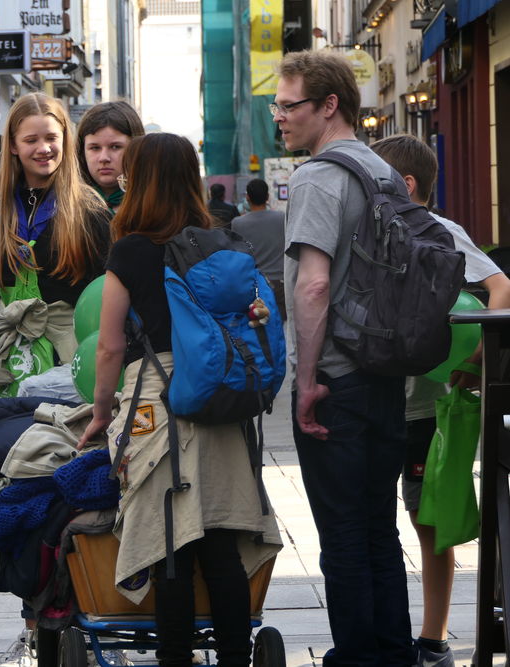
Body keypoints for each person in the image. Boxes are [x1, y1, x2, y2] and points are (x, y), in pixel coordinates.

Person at [76, 133, 280, 666]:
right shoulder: (221, 240)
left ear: (139, 181)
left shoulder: (131, 250)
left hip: (159, 397)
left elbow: (109, 345)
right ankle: (235, 657)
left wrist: (102, 411)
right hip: (220, 396)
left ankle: (175, 659)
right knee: (221, 544)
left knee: (170, 546)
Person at [275, 50, 417, 664]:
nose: (280, 117)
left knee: (342, 534)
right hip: (384, 372)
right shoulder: (382, 170)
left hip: (336, 378)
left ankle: (357, 656)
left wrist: (306, 381)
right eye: (276, 106)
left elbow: (313, 286)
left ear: (329, 105)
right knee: (380, 527)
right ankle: (395, 652)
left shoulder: (316, 176)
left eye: (290, 105)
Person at [370, 133, 510, 667]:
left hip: (424, 406)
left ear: (406, 186)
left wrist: (475, 363)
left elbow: (501, 287)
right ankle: (394, 634)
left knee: (427, 521)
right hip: (382, 396)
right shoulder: (375, 231)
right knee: (379, 521)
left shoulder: (441, 231)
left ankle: (432, 640)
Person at [0, 92, 112, 401]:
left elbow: (106, 295)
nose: (43, 148)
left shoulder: (89, 210)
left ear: (65, 140)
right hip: (5, 362)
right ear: (13, 146)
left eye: (51, 138)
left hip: (69, 363)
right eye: (31, 140)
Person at [76, 101, 145, 214]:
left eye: (115, 147)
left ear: (136, 149)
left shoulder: (154, 203)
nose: (104, 158)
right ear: (82, 152)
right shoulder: (65, 205)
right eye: (95, 148)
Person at [231, 178, 286, 316]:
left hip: (253, 284)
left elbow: (237, 255)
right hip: (281, 282)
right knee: (282, 322)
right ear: (267, 197)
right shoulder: (282, 218)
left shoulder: (237, 223)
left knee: (258, 323)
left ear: (247, 197)